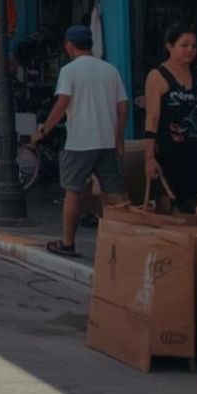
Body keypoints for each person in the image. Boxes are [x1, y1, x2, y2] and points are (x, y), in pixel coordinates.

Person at [31, 25, 128, 257]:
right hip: (106, 141)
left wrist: (43, 130)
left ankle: (67, 243)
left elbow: (62, 103)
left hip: (80, 142)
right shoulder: (110, 70)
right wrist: (118, 138)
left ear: (69, 45)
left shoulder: (69, 71)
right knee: (113, 194)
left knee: (72, 192)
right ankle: (122, 243)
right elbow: (122, 108)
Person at [145, 22, 197, 214]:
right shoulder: (158, 76)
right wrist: (149, 158)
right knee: (170, 206)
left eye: (194, 46)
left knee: (191, 205)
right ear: (170, 46)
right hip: (169, 155)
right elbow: (151, 119)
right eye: (184, 45)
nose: (190, 50)